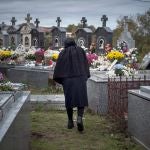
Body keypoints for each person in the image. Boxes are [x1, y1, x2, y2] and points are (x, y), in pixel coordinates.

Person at [53, 38, 90, 132]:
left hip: (68, 79)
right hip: (80, 78)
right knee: (81, 99)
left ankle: (70, 121)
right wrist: (85, 75)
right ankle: (79, 118)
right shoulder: (81, 50)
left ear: (66, 44)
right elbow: (85, 63)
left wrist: (61, 79)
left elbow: (59, 67)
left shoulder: (63, 53)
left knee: (69, 100)